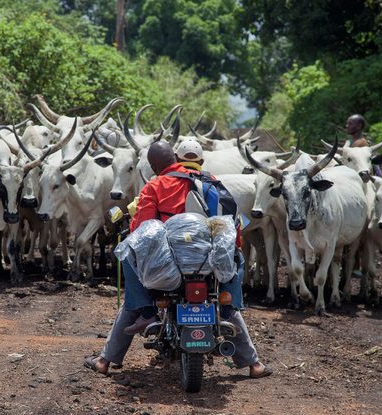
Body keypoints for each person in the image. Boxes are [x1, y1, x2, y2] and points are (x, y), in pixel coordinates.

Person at [84, 139, 271, 378]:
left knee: (128, 262)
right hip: (207, 263)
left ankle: (131, 329)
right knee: (227, 291)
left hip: (169, 262)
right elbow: (228, 223)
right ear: (176, 158)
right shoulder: (211, 183)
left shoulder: (155, 186)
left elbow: (143, 228)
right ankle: (253, 363)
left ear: (153, 166)